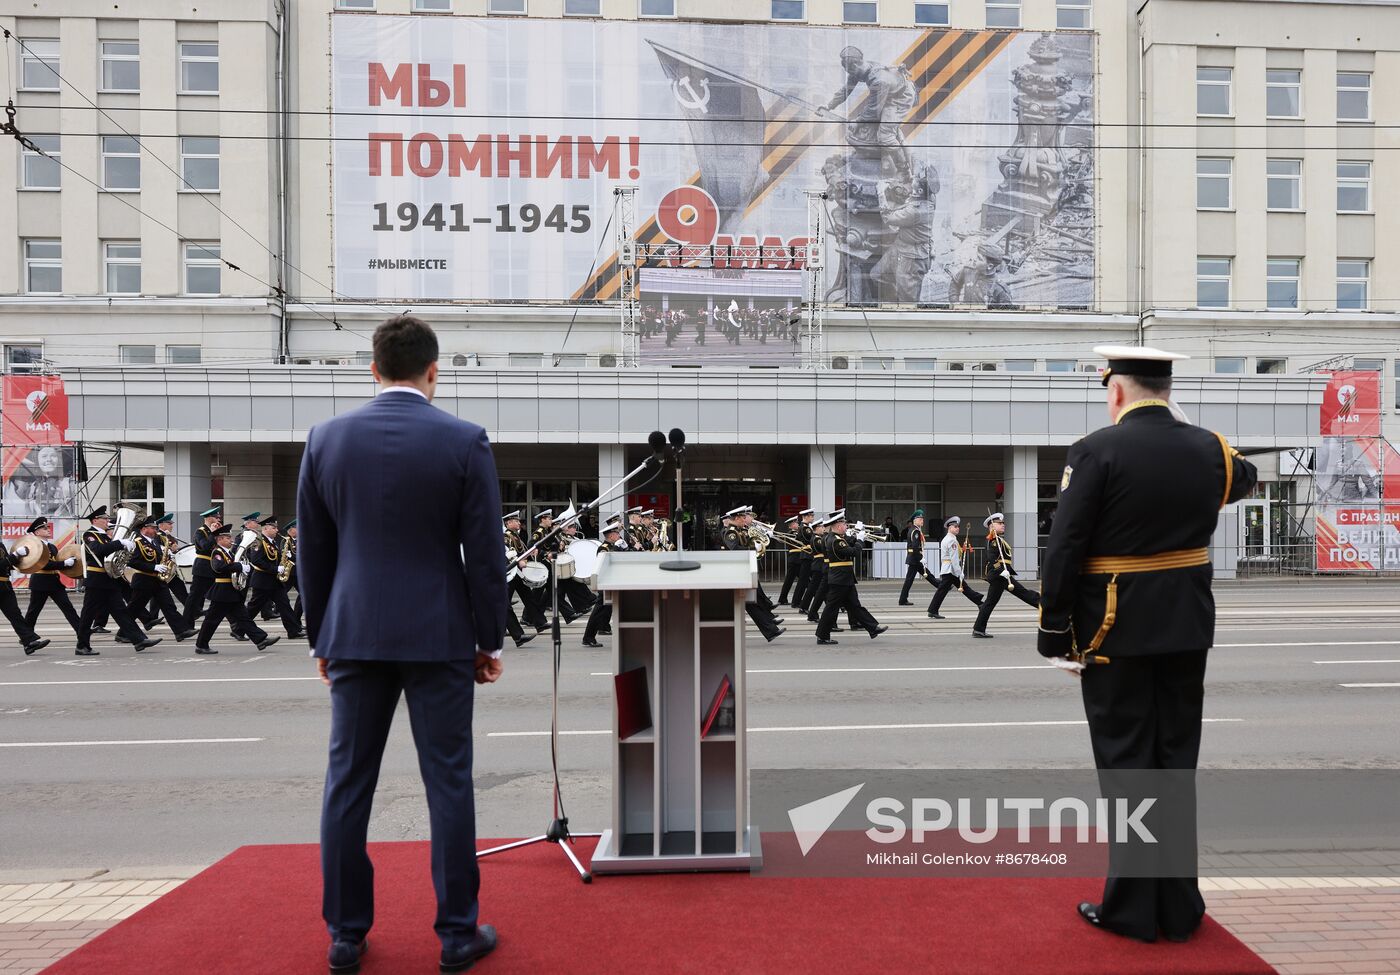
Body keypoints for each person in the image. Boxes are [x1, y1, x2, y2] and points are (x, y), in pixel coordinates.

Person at [298, 315, 505, 975]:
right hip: (439, 633)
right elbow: (485, 554)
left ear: (374, 368)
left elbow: (315, 551)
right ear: (434, 371)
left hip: (354, 632)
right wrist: (489, 635)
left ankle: (345, 933)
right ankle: (456, 933)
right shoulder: (464, 440)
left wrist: (319, 637)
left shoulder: (326, 439)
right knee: (447, 781)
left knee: (346, 783)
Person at [1037, 346, 1257, 945]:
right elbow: (1246, 479)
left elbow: (1065, 545)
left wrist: (1053, 628)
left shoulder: (1096, 450)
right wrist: (1186, 427)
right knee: (1174, 764)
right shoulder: (1208, 448)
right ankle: (1180, 907)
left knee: (1129, 767)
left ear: (1114, 392)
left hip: (1115, 628)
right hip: (1186, 625)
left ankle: (1132, 910)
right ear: (1166, 390)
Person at [74, 506, 159, 656]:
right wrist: (120, 543)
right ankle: (82, 645)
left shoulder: (107, 537)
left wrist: (126, 548)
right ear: (95, 520)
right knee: (88, 614)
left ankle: (139, 640)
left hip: (109, 580)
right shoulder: (89, 535)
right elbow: (98, 550)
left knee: (122, 612)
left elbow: (114, 553)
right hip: (96, 581)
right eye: (104, 518)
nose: (107, 520)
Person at [192, 525, 279, 655]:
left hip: (231, 591)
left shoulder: (229, 552)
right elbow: (219, 567)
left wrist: (244, 567)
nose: (230, 540)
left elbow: (233, 566)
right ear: (219, 539)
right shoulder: (217, 552)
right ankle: (201, 645)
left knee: (244, 618)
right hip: (221, 591)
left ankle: (261, 640)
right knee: (212, 620)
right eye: (227, 538)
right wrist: (239, 566)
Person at [815, 514, 887, 645]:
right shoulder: (836, 541)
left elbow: (849, 542)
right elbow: (853, 552)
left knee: (855, 606)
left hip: (844, 579)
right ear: (838, 526)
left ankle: (872, 628)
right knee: (831, 609)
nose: (846, 526)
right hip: (839, 579)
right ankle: (822, 636)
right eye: (844, 524)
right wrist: (860, 540)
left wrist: (857, 535)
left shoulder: (838, 538)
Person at [124, 515, 197, 642]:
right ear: (144, 529)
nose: (155, 530)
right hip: (143, 580)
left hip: (158, 580)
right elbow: (131, 562)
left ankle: (181, 631)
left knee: (169, 606)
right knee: (134, 609)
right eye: (152, 527)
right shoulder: (137, 542)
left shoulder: (155, 542)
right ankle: (123, 633)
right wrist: (154, 567)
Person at [718, 506, 785, 642]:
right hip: (737, 572)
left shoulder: (739, 530)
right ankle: (770, 628)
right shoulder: (731, 532)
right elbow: (735, 549)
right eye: (743, 518)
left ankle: (770, 628)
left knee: (752, 602)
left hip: (744, 570)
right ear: (736, 518)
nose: (745, 520)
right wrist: (753, 548)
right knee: (751, 603)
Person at [971, 512, 1040, 638]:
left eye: (1003, 523)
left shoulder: (998, 539)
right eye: (999, 523)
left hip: (1003, 575)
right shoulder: (993, 540)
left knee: (991, 602)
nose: (1003, 525)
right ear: (992, 526)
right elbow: (991, 558)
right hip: (1000, 576)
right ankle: (1047, 606)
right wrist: (1001, 570)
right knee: (1022, 594)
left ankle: (978, 629)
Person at [18, 517, 80, 637]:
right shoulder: (34, 546)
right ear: (37, 533)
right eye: (44, 528)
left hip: (54, 581)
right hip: (40, 582)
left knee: (68, 607)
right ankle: (26, 636)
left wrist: (72, 564)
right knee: (34, 611)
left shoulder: (52, 546)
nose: (48, 530)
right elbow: (43, 565)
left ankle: (81, 631)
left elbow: (56, 563)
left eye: (48, 527)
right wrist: (64, 563)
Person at [244, 516, 305, 639]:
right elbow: (256, 560)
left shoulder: (273, 542)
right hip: (263, 580)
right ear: (265, 528)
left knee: (284, 605)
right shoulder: (259, 541)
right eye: (274, 528)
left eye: (276, 528)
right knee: (253, 607)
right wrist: (275, 569)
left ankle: (293, 631)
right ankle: (238, 628)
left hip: (274, 581)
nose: (277, 530)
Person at [1, 532, 50, 654]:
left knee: (15, 615)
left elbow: (7, 565)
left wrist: (27, 558)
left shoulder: (0, 544)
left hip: (5, 586)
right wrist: (15, 555)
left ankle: (29, 642)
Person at [582, 518, 628, 648]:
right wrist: (619, 550)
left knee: (606, 609)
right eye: (617, 534)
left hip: (613, 582)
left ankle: (598, 632)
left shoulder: (612, 547)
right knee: (599, 611)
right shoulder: (603, 548)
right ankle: (588, 637)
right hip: (606, 582)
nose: (619, 536)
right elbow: (607, 564)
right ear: (612, 535)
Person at [926, 515, 983, 619]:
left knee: (958, 588)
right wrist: (959, 572)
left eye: (958, 526)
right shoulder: (952, 540)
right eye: (955, 526)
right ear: (949, 527)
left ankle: (979, 602)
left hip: (948, 569)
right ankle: (980, 602)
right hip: (950, 570)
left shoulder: (949, 539)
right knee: (949, 589)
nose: (957, 528)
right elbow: (954, 558)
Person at [183, 506, 224, 628]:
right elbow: (205, 546)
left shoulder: (217, 531)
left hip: (215, 567)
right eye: (216, 517)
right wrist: (212, 534)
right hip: (203, 567)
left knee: (223, 594)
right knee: (194, 598)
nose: (218, 519)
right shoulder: (200, 532)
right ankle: (186, 625)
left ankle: (236, 625)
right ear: (209, 518)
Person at [898, 508, 936, 605]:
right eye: (920, 519)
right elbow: (915, 546)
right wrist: (920, 558)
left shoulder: (914, 530)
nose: (922, 520)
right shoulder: (915, 531)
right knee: (911, 579)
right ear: (915, 520)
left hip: (914, 558)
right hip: (915, 559)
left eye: (922, 519)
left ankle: (941, 586)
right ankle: (902, 599)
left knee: (927, 575)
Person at [784, 508, 817, 607]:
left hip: (806, 555)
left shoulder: (804, 527)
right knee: (806, 581)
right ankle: (797, 602)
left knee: (805, 581)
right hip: (807, 555)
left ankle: (796, 601)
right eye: (811, 516)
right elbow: (812, 540)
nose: (813, 517)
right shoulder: (805, 528)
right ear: (806, 516)